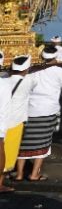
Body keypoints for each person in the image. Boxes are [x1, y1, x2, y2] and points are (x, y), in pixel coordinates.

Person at [15, 46, 62, 182]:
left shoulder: (32, 70)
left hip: (29, 110)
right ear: (56, 56)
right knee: (43, 143)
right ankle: (34, 174)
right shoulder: (58, 71)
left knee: (24, 143)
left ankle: (19, 174)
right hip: (48, 110)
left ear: (41, 56)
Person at [1, 55, 31, 192]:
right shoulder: (27, 81)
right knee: (5, 152)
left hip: (6, 121)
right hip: (11, 121)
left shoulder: (6, 79)